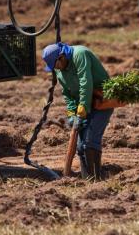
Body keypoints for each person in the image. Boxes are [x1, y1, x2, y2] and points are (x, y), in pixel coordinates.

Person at [42, 42, 112, 180]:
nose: (55, 69)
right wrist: (72, 114)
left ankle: (96, 180)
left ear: (61, 57)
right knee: (80, 147)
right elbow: (67, 93)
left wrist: (82, 108)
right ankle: (88, 180)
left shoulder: (80, 54)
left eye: (55, 65)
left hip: (101, 101)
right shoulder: (59, 70)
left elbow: (86, 82)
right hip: (83, 105)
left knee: (89, 142)